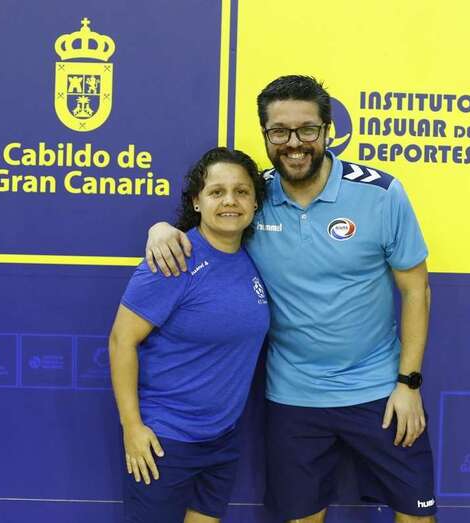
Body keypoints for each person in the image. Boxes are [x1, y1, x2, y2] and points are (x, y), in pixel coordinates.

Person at [146, 76, 435, 523]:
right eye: (279, 132)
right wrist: (162, 229)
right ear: (266, 135)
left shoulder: (381, 194)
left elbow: (416, 289)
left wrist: (408, 384)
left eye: (307, 130)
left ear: (328, 130)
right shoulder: (253, 197)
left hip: (380, 390)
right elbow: (206, 226)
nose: (293, 143)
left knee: (417, 517)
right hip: (293, 397)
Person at [109, 147, 270, 523]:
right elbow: (121, 341)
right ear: (197, 201)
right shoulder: (173, 258)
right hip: (165, 442)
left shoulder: (253, 258)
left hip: (222, 441)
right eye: (217, 192)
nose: (230, 200)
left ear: (256, 203)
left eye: (242, 191)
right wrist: (132, 428)